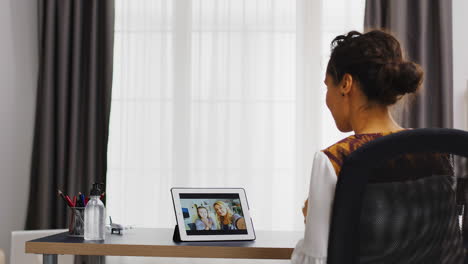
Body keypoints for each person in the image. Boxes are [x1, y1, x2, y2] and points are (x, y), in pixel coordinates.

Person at [291, 30, 424, 263]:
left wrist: (314, 221)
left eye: (327, 86)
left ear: (346, 84)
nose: (327, 99)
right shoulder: (432, 150)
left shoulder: (333, 161)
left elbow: (315, 260)